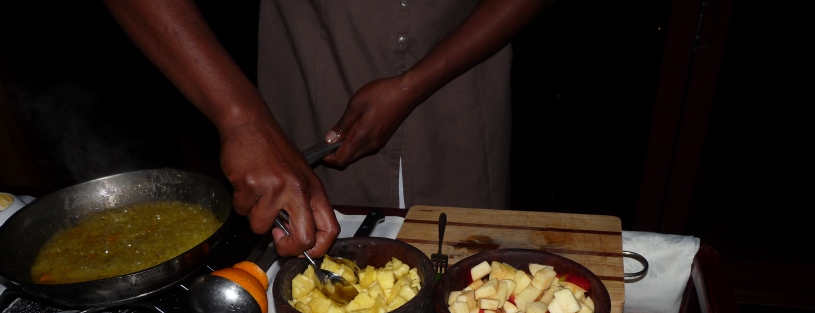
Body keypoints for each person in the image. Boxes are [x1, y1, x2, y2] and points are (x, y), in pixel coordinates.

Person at [103, 0, 553, 257]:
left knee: (472, 271)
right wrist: (242, 120)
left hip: (463, 88)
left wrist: (413, 83)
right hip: (311, 83)